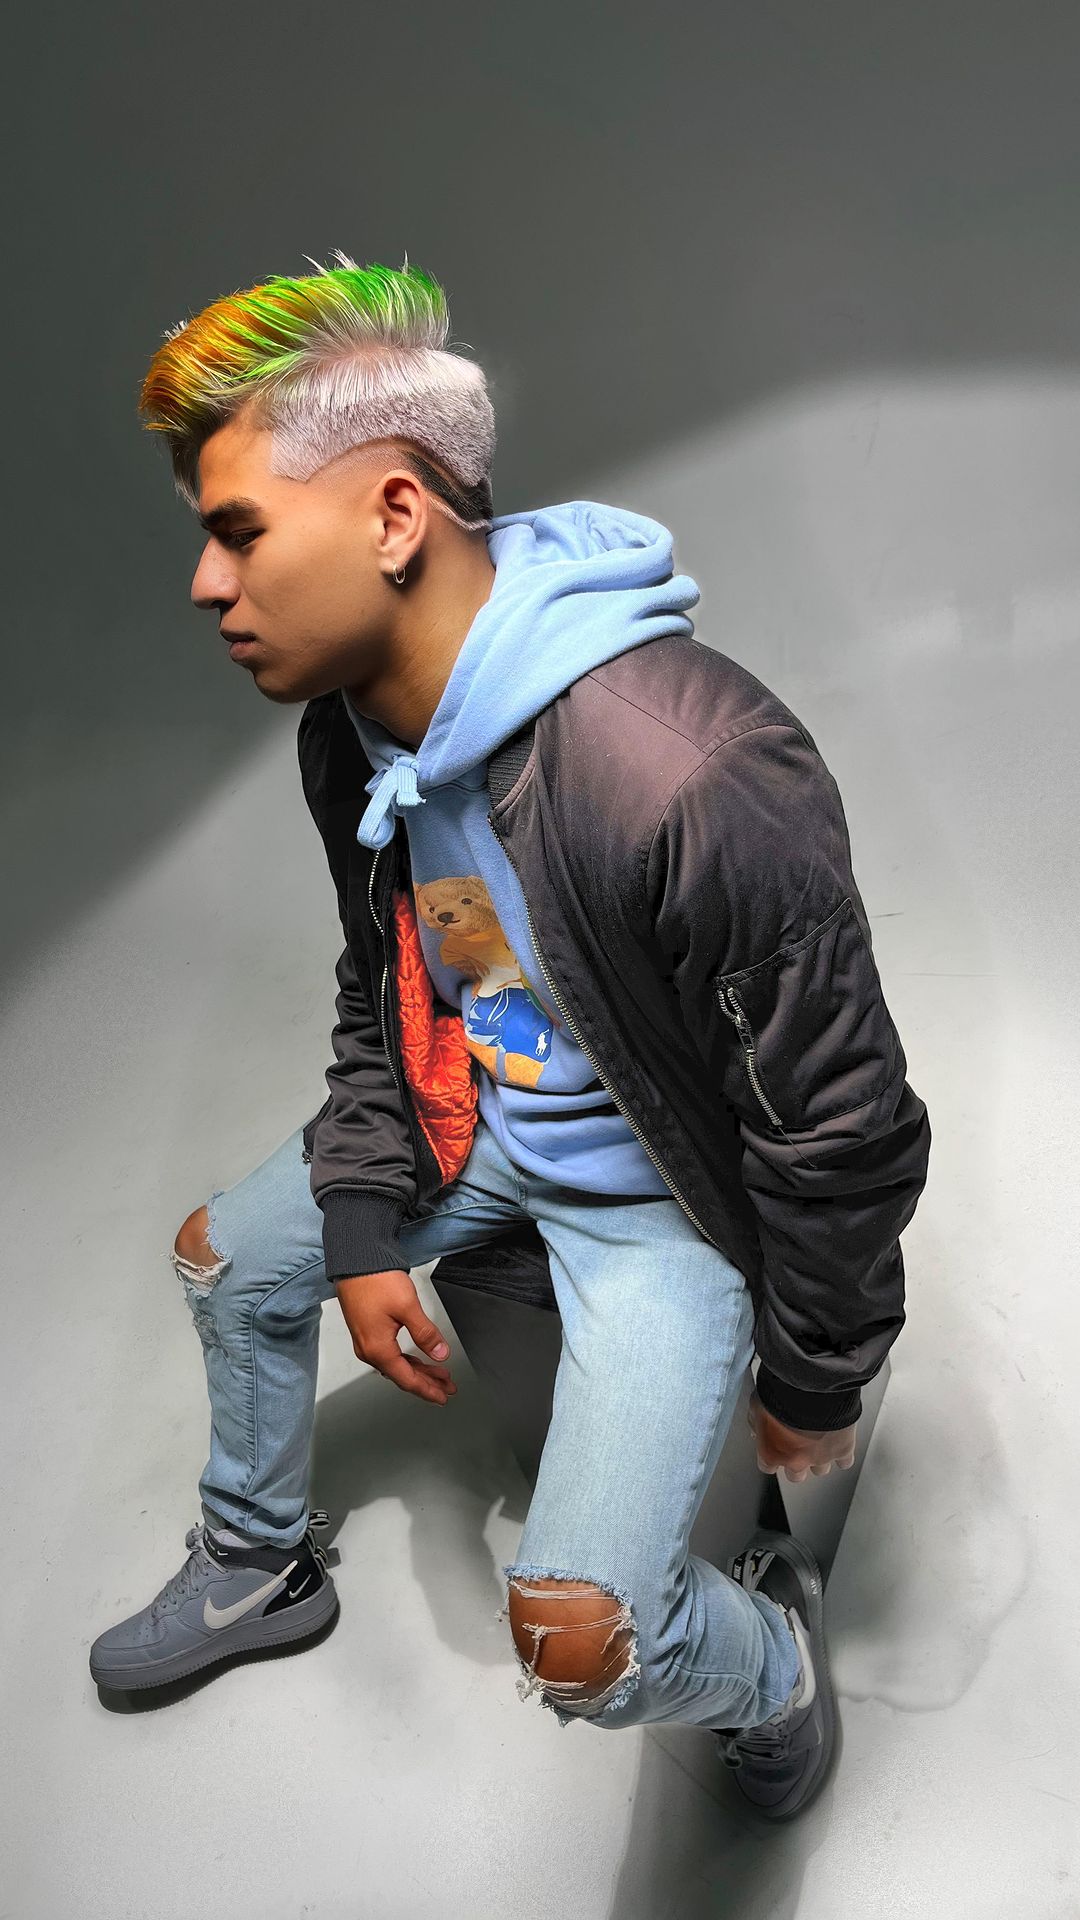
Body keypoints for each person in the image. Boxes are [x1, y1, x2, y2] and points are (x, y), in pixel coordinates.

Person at [89, 253, 931, 1821]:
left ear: (395, 517)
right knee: (227, 1258)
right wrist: (360, 1219)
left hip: (665, 1208)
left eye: (239, 532)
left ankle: (776, 1672)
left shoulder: (686, 768)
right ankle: (260, 1558)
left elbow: (841, 1124)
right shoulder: (356, 738)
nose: (206, 585)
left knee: (583, 1638)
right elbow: (397, 991)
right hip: (473, 1124)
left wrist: (820, 1383)